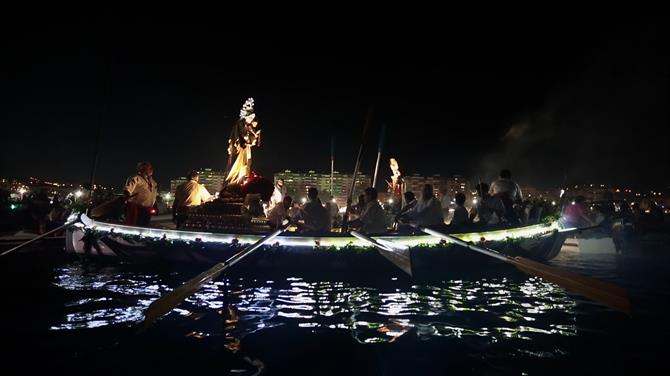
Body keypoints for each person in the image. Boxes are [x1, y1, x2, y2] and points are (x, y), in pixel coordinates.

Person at [225, 98, 261, 185]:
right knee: (239, 164)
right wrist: (252, 136)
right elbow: (243, 135)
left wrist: (255, 135)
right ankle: (235, 182)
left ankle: (241, 180)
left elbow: (250, 138)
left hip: (245, 147)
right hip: (240, 147)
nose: (251, 120)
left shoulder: (247, 125)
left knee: (246, 163)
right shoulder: (241, 124)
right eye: (250, 117)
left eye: (252, 118)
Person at [124, 161, 158, 226]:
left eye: (151, 168)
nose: (152, 169)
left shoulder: (153, 182)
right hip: (137, 209)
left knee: (144, 226)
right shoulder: (136, 178)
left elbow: (153, 195)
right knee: (135, 226)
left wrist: (155, 205)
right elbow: (127, 190)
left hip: (148, 210)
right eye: (149, 168)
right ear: (142, 168)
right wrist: (127, 198)